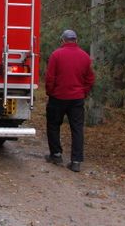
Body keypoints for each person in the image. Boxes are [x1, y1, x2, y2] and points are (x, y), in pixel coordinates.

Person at [44, 29, 95, 172]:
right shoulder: (85, 57)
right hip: (77, 99)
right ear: (76, 40)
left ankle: (56, 154)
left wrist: (50, 92)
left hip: (58, 97)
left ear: (63, 40)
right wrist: (83, 92)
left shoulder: (56, 55)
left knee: (53, 125)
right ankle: (76, 161)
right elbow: (90, 78)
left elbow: (50, 78)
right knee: (77, 129)